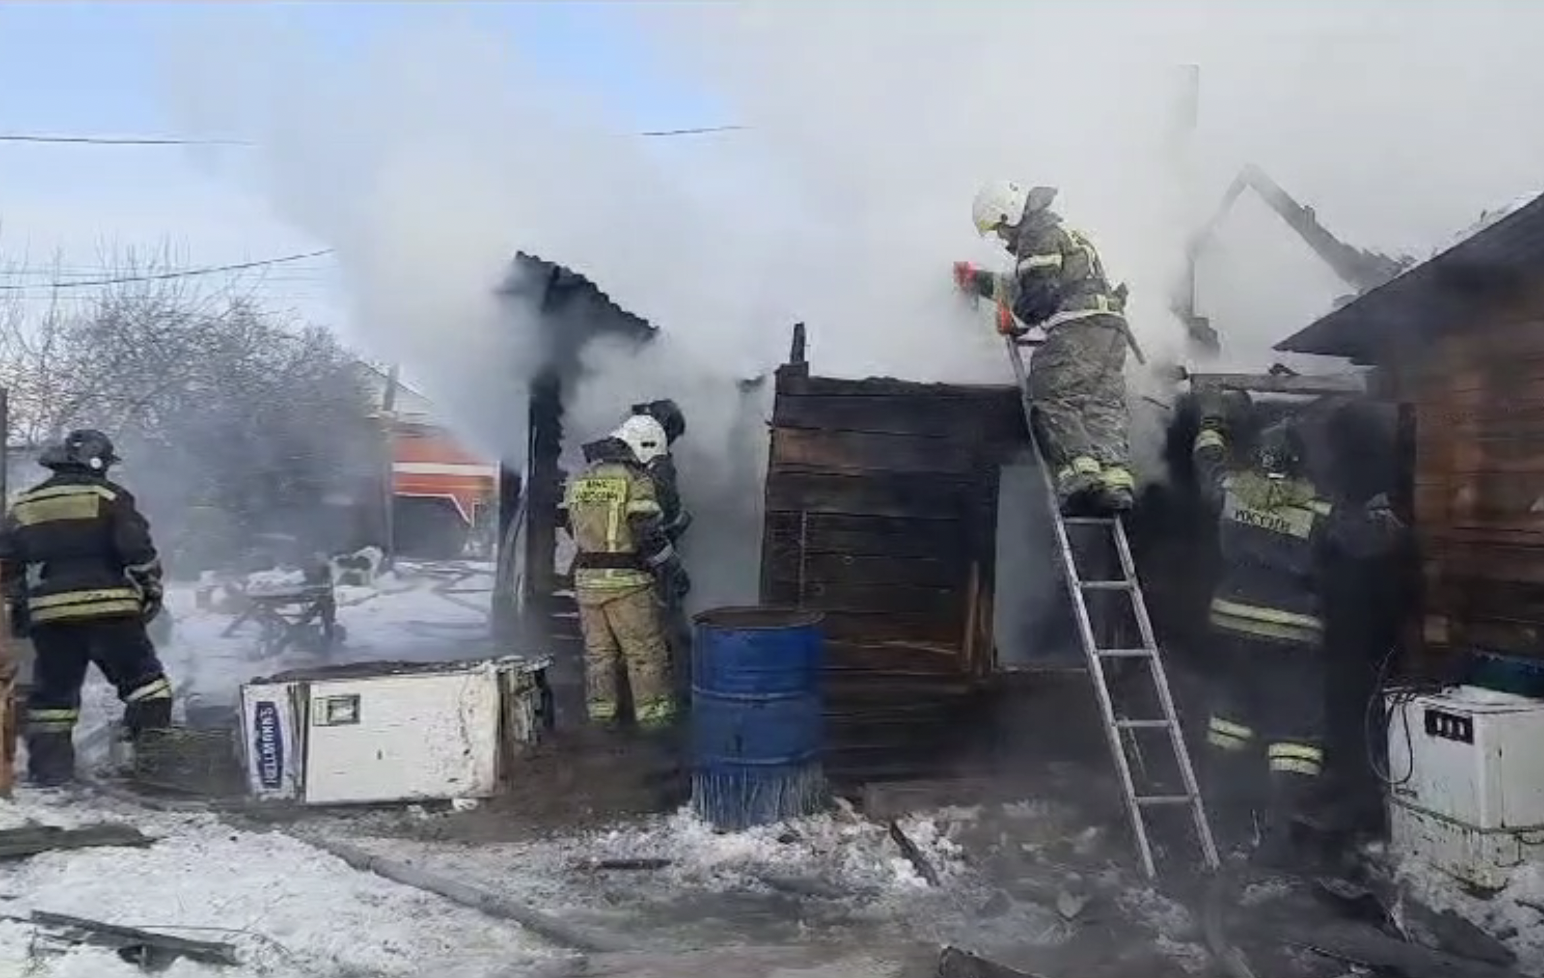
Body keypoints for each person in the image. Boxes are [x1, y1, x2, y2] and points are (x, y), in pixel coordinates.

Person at [1191, 402, 1403, 865]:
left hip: (1233, 631)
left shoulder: (1231, 489)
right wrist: (1385, 517)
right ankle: (1280, 836)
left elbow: (1207, 462)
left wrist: (1212, 424)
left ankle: (1218, 822)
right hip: (1290, 638)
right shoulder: (1318, 508)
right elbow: (1369, 542)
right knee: (1297, 739)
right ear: (1297, 462)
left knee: (1228, 723)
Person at [0, 429, 172, 786]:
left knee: (52, 703)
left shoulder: (24, 504)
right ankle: (150, 762)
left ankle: (52, 776)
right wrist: (151, 591)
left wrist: (20, 611)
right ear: (97, 462)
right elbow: (138, 552)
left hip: (50, 616)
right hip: (112, 611)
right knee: (148, 687)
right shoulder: (108, 496)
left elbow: (7, 566)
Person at [953, 181, 1136, 514]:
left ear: (1008, 213)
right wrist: (977, 281)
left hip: (1078, 325)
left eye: (999, 230)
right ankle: (1115, 481)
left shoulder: (1035, 236)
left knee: (1051, 393)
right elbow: (1028, 284)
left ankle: (1079, 474)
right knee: (1100, 403)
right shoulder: (1057, 232)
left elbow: (1040, 296)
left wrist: (1016, 321)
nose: (1002, 238)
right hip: (1111, 329)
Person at [563, 415, 690, 731]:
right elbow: (645, 531)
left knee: (599, 655)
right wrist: (671, 567)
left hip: (587, 581)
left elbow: (571, 525)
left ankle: (601, 721)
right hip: (627, 585)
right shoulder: (636, 479)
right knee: (645, 653)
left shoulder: (582, 477)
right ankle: (655, 724)